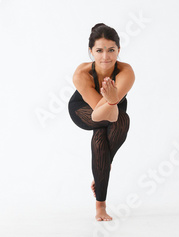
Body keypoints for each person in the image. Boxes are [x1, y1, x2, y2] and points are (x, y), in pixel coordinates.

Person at [68, 23, 135, 221]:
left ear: (119, 50)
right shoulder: (81, 74)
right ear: (91, 52)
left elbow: (114, 117)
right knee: (102, 128)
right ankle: (101, 205)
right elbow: (100, 116)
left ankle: (101, 200)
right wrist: (112, 99)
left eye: (111, 50)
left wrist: (113, 100)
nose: (105, 56)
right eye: (99, 50)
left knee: (122, 121)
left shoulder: (126, 72)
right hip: (84, 109)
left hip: (113, 112)